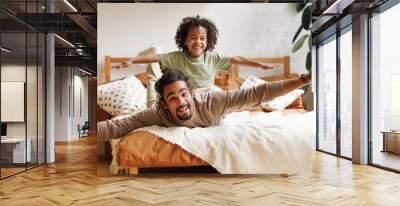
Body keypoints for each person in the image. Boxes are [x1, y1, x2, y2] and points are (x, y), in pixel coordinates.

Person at [97, 68, 311, 141]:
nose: (181, 102)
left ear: (189, 93)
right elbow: (119, 126)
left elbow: (259, 93)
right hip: (156, 102)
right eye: (172, 98)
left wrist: (302, 80)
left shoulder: (216, 102)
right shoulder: (158, 112)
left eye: (183, 94)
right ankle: (153, 68)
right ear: (165, 104)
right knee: (151, 91)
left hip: (209, 97)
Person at [112, 15, 277, 107]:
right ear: (184, 40)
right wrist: (132, 60)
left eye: (202, 38)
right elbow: (155, 58)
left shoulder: (212, 58)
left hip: (207, 91)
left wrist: (260, 64)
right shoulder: (177, 57)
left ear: (208, 41)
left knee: (224, 97)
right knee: (156, 99)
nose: (198, 42)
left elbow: (237, 59)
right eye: (193, 38)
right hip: (186, 94)